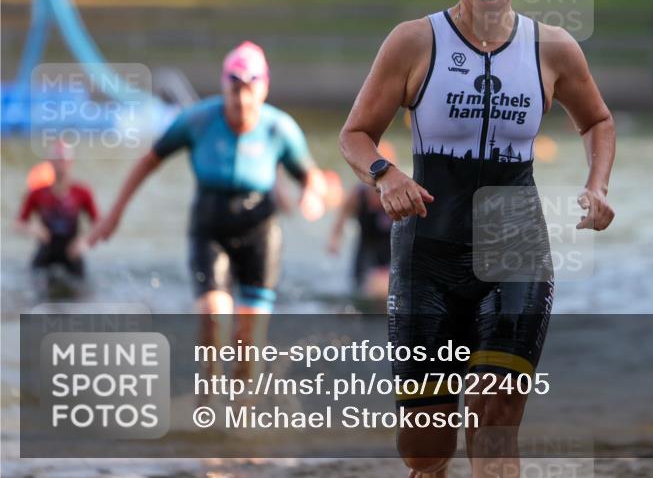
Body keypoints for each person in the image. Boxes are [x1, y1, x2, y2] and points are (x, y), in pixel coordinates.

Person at [339, 0, 615, 478]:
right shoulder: (415, 42)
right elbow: (356, 135)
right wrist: (386, 176)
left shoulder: (553, 48)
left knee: (494, 429)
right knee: (426, 450)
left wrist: (598, 185)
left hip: (515, 251)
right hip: (427, 253)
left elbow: (597, 122)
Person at [89, 41, 326, 380]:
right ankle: (207, 398)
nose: (241, 101)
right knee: (214, 318)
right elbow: (147, 163)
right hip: (210, 228)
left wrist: (311, 196)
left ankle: (243, 417)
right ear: (224, 85)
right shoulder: (197, 120)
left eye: (249, 90)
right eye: (235, 90)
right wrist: (114, 215)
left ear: (264, 88)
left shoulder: (279, 128)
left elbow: (311, 176)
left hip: (259, 233)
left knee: (247, 341)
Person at [16, 141, 99, 297]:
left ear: (71, 161)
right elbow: (19, 223)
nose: (60, 164)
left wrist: (84, 242)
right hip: (46, 250)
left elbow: (98, 224)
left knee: (82, 296)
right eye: (56, 159)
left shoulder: (82, 192)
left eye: (63, 159)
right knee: (32, 292)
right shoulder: (37, 193)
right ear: (49, 162)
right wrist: (33, 228)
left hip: (71, 252)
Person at [328, 143, 397, 303]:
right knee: (370, 290)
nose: (375, 192)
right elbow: (341, 219)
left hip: (391, 254)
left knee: (386, 290)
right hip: (366, 253)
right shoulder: (358, 195)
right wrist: (335, 240)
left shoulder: (397, 194)